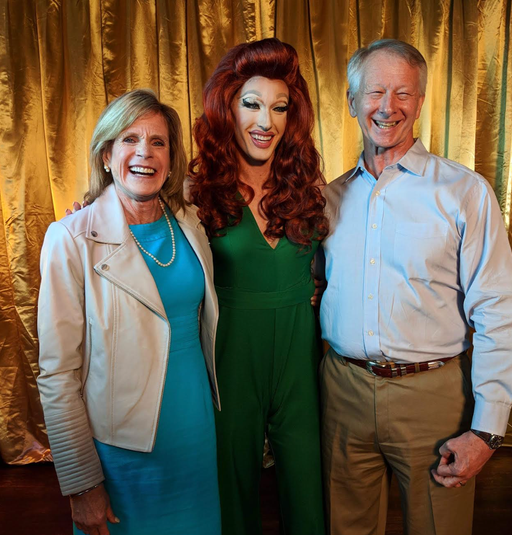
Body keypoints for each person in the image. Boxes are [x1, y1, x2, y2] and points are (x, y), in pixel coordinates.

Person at [316, 39, 512, 535]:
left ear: (420, 102)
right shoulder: (328, 198)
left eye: (403, 93)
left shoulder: (464, 192)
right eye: (374, 92)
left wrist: (486, 430)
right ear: (351, 102)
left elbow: (499, 308)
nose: (387, 107)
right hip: (341, 392)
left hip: (433, 398)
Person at [37, 89, 221, 535]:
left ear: (171, 157)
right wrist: (81, 483)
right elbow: (57, 373)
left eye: (158, 142)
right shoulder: (71, 238)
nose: (145, 153)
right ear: (106, 155)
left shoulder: (191, 222)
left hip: (194, 433)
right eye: (130, 140)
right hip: (122, 450)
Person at [188, 38, 329, 535]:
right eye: (251, 104)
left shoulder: (310, 190)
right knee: (232, 491)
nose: (265, 122)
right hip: (230, 357)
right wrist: (89, 211)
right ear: (228, 106)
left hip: (300, 359)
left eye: (279, 108)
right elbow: (136, 228)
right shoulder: (195, 194)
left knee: (309, 493)